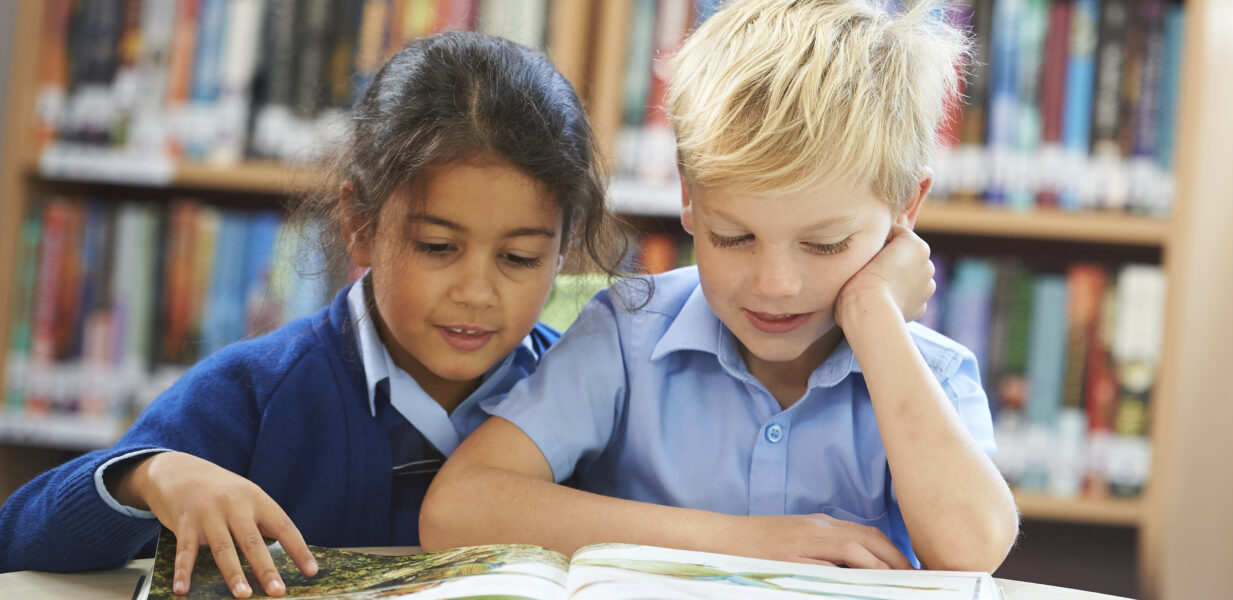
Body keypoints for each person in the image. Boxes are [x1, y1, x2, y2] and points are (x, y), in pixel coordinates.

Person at [0, 31, 623, 598]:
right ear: (359, 223)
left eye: (519, 257)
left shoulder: (586, 392)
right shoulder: (257, 392)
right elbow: (18, 542)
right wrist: (149, 477)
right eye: (438, 247)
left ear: (563, 250)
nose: (477, 292)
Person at [421, 0, 1017, 573]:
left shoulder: (927, 375)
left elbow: (970, 550)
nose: (775, 285)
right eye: (733, 237)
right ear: (688, 196)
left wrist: (872, 314)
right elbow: (458, 509)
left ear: (906, 206)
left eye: (825, 245)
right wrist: (739, 542)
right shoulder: (628, 335)